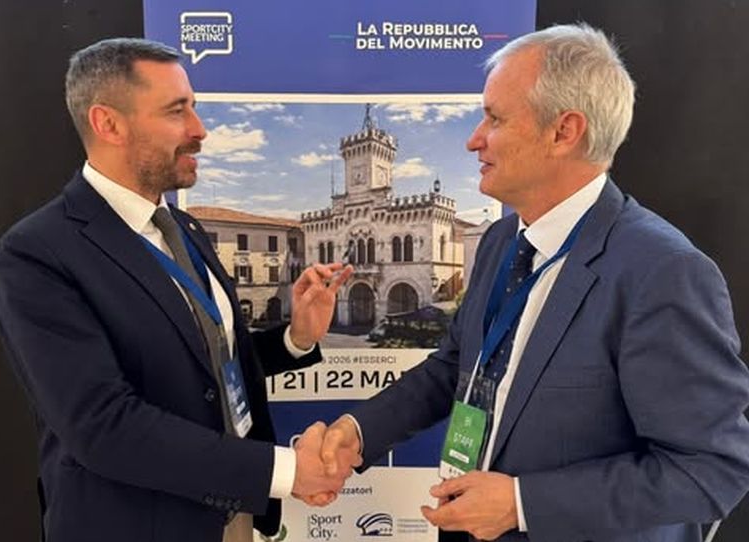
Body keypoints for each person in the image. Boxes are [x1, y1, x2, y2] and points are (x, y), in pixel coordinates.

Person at [319, 23, 749, 542]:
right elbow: (454, 367)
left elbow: (712, 469)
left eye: (495, 119)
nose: (474, 139)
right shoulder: (501, 241)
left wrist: (522, 504)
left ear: (564, 132)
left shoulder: (662, 272)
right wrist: (361, 431)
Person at [0, 38, 356, 542]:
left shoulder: (184, 228)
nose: (199, 129)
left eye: (194, 107)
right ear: (108, 124)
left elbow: (205, 365)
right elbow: (102, 426)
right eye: (176, 110)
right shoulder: (39, 252)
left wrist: (296, 338)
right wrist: (287, 471)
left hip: (231, 514)